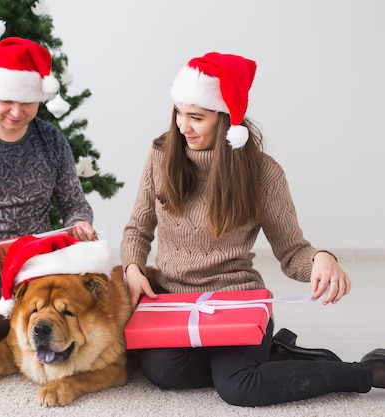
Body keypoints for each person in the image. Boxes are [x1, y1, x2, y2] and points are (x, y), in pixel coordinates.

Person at [120, 52, 385, 407]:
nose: (183, 126)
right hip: (176, 301)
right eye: (179, 113)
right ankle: (273, 352)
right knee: (164, 371)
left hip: (236, 302)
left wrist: (321, 258)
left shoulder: (263, 174)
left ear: (225, 117)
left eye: (196, 117)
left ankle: (367, 371)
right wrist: (133, 269)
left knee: (238, 387)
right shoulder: (161, 156)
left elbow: (292, 252)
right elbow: (137, 228)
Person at [0, 37, 97, 351]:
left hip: (37, 260)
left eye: (27, 101)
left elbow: (73, 202)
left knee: (76, 310)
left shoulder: (51, 140)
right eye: (6, 101)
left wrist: (81, 223)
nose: (16, 111)